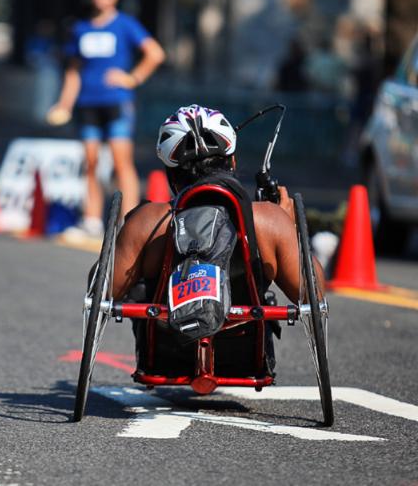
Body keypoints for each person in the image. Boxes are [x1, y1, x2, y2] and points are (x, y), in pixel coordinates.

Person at [110, 105, 325, 372]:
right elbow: (313, 294)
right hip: (244, 360)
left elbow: (102, 291)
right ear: (232, 161)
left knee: (137, 286)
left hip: (168, 361)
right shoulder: (269, 220)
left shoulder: (149, 221)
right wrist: (288, 224)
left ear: (170, 172)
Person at [47, 0, 165, 238]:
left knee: (121, 162)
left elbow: (155, 53)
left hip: (116, 103)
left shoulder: (125, 24)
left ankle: (131, 221)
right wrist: (64, 104)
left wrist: (133, 78)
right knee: (90, 162)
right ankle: (91, 219)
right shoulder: (80, 28)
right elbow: (73, 71)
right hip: (88, 104)